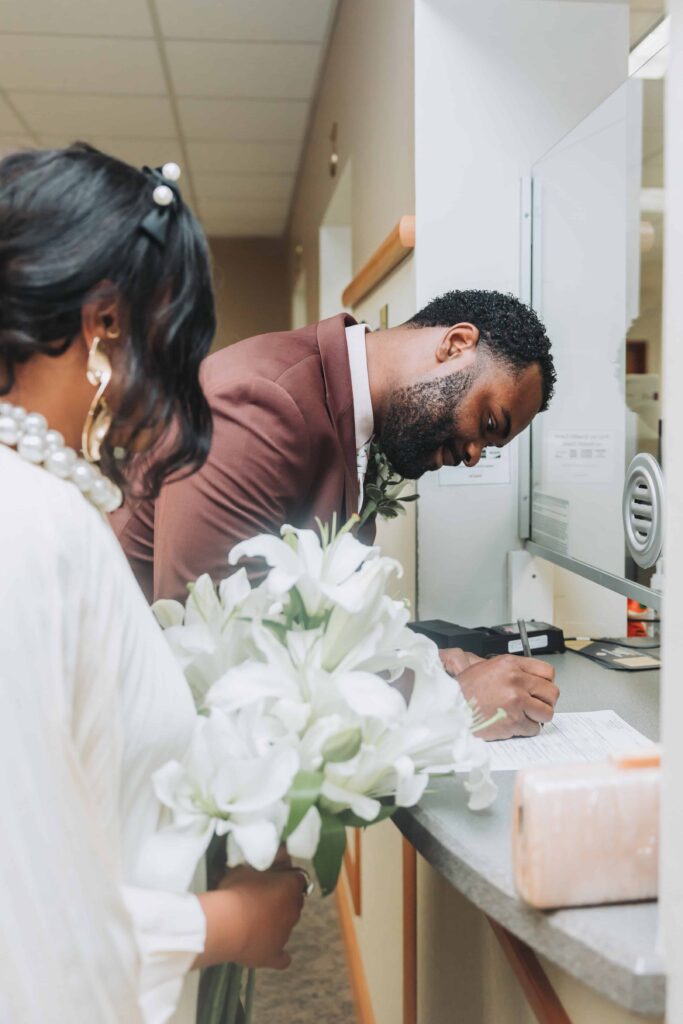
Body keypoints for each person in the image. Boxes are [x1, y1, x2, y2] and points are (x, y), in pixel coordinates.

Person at [0, 143, 306, 1024]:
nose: (175, 395)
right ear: (104, 323)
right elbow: (31, 933)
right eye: (174, 346)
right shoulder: (31, 525)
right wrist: (223, 923)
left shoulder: (53, 508)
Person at [114, 292, 559, 741]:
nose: (473, 456)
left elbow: (297, 619)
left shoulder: (352, 415)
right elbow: (218, 654)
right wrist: (451, 704)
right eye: (488, 423)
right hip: (140, 734)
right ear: (456, 344)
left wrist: (420, 663)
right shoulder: (260, 402)